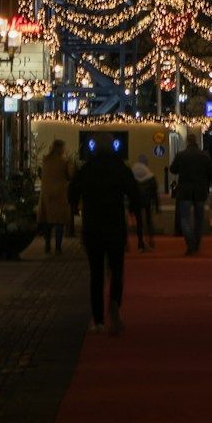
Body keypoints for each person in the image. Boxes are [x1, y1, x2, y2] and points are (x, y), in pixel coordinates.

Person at [69, 142, 142, 334]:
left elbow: (72, 192)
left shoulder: (87, 168)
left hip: (93, 226)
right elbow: (134, 192)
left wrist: (76, 206)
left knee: (96, 274)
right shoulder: (120, 168)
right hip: (115, 226)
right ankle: (115, 302)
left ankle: (99, 321)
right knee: (117, 269)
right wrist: (133, 210)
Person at [170, 143, 212, 254]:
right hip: (200, 191)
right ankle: (196, 243)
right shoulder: (204, 155)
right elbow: (211, 172)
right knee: (199, 219)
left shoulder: (181, 155)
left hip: (185, 191)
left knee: (185, 218)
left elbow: (173, 169)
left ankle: (190, 241)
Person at [38, 139, 74, 254]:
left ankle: (47, 244)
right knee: (59, 222)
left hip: (46, 194)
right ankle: (58, 247)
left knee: (48, 221)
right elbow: (71, 175)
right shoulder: (64, 162)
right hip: (59, 193)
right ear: (61, 149)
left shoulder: (45, 160)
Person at [131, 157, 159, 250]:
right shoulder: (150, 176)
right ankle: (150, 239)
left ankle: (140, 243)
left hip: (136, 201)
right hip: (147, 201)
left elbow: (129, 191)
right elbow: (155, 192)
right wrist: (157, 206)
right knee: (148, 220)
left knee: (139, 222)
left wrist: (130, 208)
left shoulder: (132, 174)